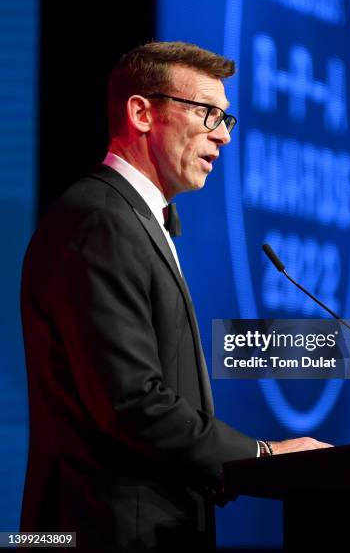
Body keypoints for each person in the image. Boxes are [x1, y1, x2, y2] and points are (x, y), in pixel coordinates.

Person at [20, 41, 332, 552]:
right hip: (99, 533)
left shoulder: (135, 220)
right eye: (208, 113)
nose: (223, 136)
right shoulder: (101, 218)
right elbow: (129, 402)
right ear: (142, 113)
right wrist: (261, 456)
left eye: (227, 119)